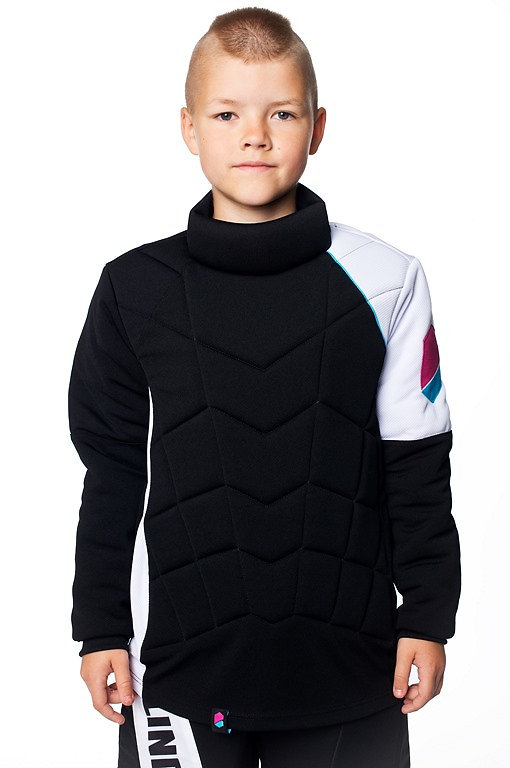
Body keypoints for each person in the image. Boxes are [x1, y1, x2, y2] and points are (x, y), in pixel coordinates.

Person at [67, 7, 462, 768]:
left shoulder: (387, 279)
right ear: (189, 128)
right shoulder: (132, 288)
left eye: (281, 113)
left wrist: (429, 615)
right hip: (178, 677)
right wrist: (101, 627)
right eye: (227, 114)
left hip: (351, 674)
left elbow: (417, 463)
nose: (255, 135)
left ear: (317, 128)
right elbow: (112, 471)